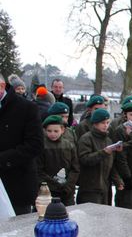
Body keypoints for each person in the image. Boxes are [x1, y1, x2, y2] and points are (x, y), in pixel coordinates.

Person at [0, 73, 44, 215]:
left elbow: (35, 145)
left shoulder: (26, 108)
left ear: (2, 86)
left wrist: (3, 159)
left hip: (16, 186)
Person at [76, 108, 124, 205]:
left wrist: (118, 180)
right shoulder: (86, 138)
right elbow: (85, 159)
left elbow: (111, 164)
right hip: (89, 188)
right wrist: (104, 152)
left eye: (107, 122)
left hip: (105, 187)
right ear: (95, 123)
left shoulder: (108, 140)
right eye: (103, 123)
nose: (106, 125)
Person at [37, 115, 79, 206]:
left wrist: (69, 185)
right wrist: (54, 185)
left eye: (56, 131)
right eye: (49, 131)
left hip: (67, 192)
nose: (53, 134)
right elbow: (39, 170)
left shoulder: (69, 145)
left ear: (62, 130)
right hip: (48, 191)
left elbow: (75, 168)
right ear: (45, 130)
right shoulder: (41, 146)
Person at [110, 100, 132, 209]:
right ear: (125, 115)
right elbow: (120, 156)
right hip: (128, 173)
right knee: (126, 203)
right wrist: (126, 175)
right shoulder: (120, 130)